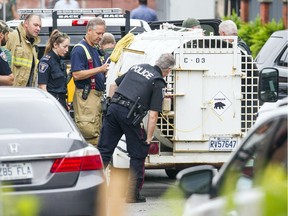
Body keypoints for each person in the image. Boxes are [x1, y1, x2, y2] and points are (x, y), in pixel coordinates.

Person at [97, 53, 176, 203]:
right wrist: (148, 138)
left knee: (104, 151)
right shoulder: (158, 81)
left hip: (114, 109)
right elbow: (153, 115)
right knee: (137, 154)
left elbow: (114, 85)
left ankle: (94, 190)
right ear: (168, 70)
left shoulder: (138, 67)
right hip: (129, 115)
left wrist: (113, 104)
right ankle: (132, 195)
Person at [70, 17, 109, 145]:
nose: (101, 36)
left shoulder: (95, 48)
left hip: (96, 97)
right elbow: (76, 74)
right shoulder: (79, 49)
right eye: (98, 33)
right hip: (86, 98)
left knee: (96, 133)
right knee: (89, 132)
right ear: (89, 31)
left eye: (102, 34)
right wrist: (100, 69)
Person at [38, 29, 70, 110]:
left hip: (62, 101)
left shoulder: (60, 61)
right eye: (65, 46)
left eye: (68, 47)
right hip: (52, 102)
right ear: (55, 45)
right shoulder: (46, 62)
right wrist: (48, 105)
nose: (67, 50)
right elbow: (42, 87)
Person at [6, 14, 42, 87]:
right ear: (26, 23)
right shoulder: (12, 36)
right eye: (35, 25)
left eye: (40, 26)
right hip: (10, 91)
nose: (38, 28)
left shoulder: (33, 46)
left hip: (25, 93)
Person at [0, 19, 13, 85]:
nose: (7, 38)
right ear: (1, 35)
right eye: (7, 34)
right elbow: (10, 79)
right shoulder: (1, 54)